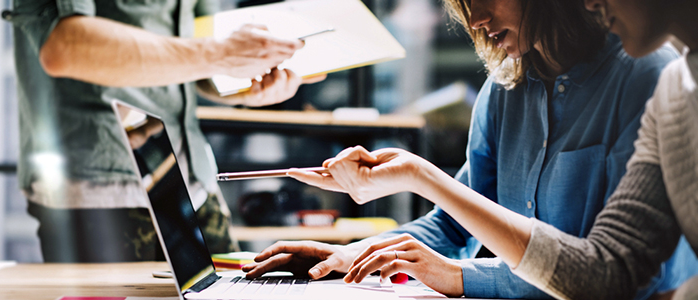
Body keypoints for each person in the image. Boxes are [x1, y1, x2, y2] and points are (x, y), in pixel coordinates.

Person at [241, 0, 697, 298]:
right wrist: (351, 257)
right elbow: (457, 227)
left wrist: (461, 277)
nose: (476, 19)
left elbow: (627, 278)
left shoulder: (651, 75)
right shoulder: (505, 90)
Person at [4, 0, 324, 262]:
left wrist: (244, 86)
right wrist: (220, 54)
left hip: (193, 179)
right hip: (102, 189)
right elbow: (65, 45)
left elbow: (198, 48)